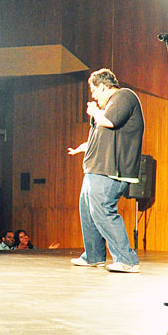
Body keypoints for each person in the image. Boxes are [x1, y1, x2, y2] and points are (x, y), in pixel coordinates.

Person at [67, 68, 144, 273]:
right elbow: (103, 136)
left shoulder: (124, 96)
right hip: (96, 168)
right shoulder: (107, 107)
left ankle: (127, 260)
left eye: (94, 91)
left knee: (103, 210)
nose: (93, 96)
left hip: (111, 170)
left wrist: (94, 112)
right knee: (88, 211)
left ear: (103, 86)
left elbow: (109, 122)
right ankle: (93, 255)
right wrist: (85, 147)